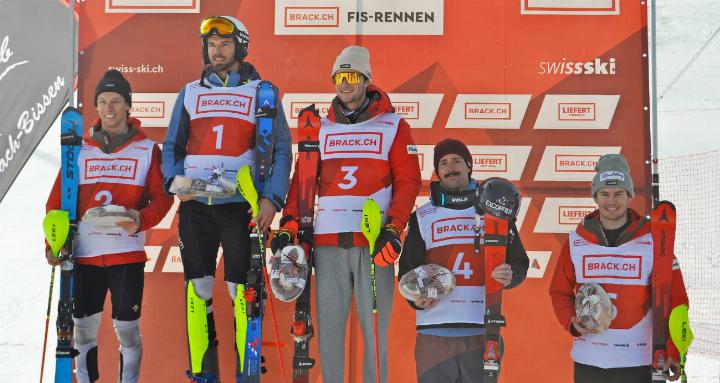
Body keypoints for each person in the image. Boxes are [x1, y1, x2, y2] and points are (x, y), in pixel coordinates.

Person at [272, 45, 421, 383]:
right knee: (329, 334)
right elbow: (303, 180)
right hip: (327, 245)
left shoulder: (393, 125)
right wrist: (290, 223)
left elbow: (409, 181)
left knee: (375, 333)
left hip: (373, 244)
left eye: (353, 76)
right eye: (339, 76)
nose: (345, 83)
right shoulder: (320, 128)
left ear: (367, 79)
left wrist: (394, 229)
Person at [160, 15, 291, 382]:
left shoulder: (263, 91)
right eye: (212, 45)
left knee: (241, 290)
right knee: (197, 287)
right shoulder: (190, 92)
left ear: (241, 47)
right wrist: (174, 181)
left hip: (240, 206)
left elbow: (281, 149)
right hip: (197, 206)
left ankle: (245, 372)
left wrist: (271, 200)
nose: (217, 51)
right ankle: (204, 372)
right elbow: (171, 145)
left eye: (225, 44)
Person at [44, 69, 173, 383]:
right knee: (82, 329)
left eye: (116, 101)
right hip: (85, 255)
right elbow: (56, 203)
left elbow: (162, 198)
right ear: (96, 106)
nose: (109, 108)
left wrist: (142, 219)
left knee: (128, 330)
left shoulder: (147, 150)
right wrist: (53, 243)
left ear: (128, 106)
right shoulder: (78, 149)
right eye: (102, 101)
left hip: (125, 254)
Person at [549, 154, 689, 383]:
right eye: (604, 194)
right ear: (596, 196)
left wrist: (672, 350)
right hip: (589, 359)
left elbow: (675, 298)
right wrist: (570, 321)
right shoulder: (577, 241)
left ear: (629, 195)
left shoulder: (653, 240)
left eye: (618, 194)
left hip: (638, 360)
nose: (611, 201)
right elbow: (559, 291)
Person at [397, 138, 529, 383]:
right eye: (443, 163)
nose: (451, 167)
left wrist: (510, 275)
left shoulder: (494, 208)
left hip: (481, 329)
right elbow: (407, 270)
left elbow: (520, 262)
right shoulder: (423, 216)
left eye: (457, 161)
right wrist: (416, 299)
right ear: (437, 172)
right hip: (434, 331)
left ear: (469, 166)